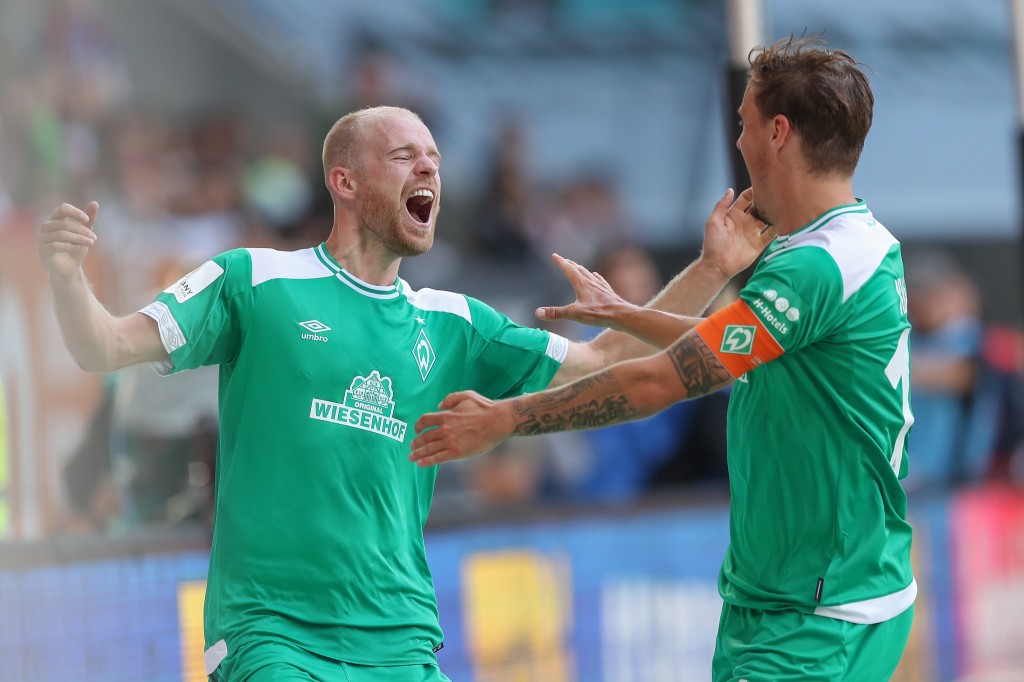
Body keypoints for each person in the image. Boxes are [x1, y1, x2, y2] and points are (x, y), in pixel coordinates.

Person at [37, 106, 771, 681]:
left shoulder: (450, 323)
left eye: (436, 159)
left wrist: (711, 267)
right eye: (404, 155)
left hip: (402, 637)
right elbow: (101, 346)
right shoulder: (255, 281)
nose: (431, 169)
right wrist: (69, 280)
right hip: (275, 634)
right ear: (345, 182)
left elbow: (609, 353)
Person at [411, 37, 916, 681]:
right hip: (797, 593)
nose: (738, 143)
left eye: (745, 124)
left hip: (817, 612)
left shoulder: (815, 266)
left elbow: (660, 383)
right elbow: (745, 346)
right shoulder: (855, 244)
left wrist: (504, 421)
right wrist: (624, 312)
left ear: (780, 133)